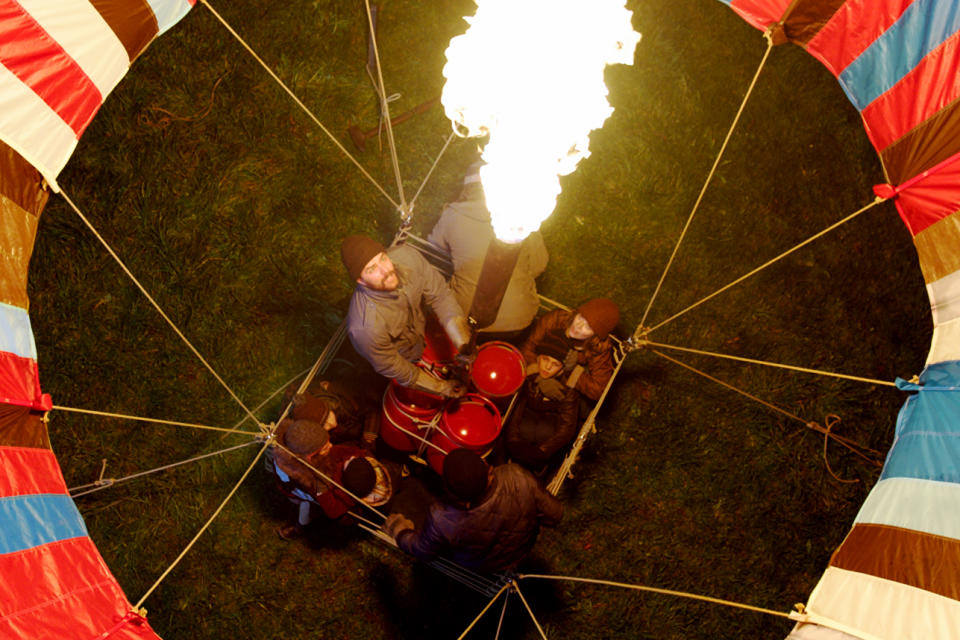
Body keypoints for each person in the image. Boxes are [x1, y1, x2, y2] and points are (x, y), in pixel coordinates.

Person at [383, 449, 563, 573]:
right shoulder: (517, 476)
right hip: (522, 549)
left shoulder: (442, 516)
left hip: (480, 566)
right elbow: (555, 515)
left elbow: (422, 551)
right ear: (486, 469)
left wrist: (400, 531)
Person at [427, 162, 548, 342]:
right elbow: (540, 264)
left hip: (466, 316)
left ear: (468, 186)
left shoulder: (453, 214)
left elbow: (433, 248)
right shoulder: (523, 215)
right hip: (518, 320)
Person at [341, 234, 471, 398]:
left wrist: (462, 342)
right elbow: (395, 366)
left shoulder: (408, 257)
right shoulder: (365, 328)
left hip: (425, 332)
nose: (386, 271)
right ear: (361, 280)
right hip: (406, 358)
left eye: (382, 258)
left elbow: (440, 295)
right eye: (371, 269)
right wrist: (441, 387)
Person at [269, 418, 392, 539]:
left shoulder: (332, 459)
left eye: (327, 441)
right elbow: (289, 484)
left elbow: (334, 508)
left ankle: (301, 526)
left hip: (321, 499)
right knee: (305, 507)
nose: (331, 445)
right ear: (311, 457)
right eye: (325, 446)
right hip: (302, 494)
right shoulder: (300, 474)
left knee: (310, 509)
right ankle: (300, 526)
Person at [505, 333, 580, 471]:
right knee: (525, 429)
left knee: (544, 431)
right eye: (545, 359)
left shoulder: (568, 387)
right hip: (525, 427)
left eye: (555, 364)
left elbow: (567, 427)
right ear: (539, 357)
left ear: (563, 368)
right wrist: (513, 441)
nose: (547, 367)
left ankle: (539, 469)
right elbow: (516, 409)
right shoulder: (529, 375)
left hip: (547, 434)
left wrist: (542, 451)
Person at [520, 298, 620, 402]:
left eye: (588, 327)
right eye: (581, 317)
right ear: (576, 313)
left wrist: (572, 370)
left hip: (567, 379)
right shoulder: (556, 319)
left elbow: (598, 390)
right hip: (541, 361)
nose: (578, 327)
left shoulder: (599, 347)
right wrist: (537, 376)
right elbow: (527, 347)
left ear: (596, 336)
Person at [280, 377, 379, 450]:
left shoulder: (344, 403)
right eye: (324, 425)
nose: (331, 424)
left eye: (328, 417)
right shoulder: (310, 436)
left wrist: (368, 441)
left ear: (328, 407)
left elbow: (372, 409)